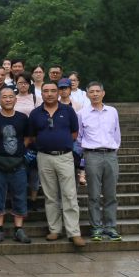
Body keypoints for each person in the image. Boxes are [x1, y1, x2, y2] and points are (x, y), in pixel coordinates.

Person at [28, 82, 86, 247]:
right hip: (44, 157)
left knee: (69, 195)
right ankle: (55, 229)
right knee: (50, 196)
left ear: (58, 93)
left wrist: (60, 142)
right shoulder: (35, 113)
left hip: (64, 156)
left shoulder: (68, 111)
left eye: (53, 91)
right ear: (42, 94)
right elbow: (32, 136)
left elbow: (74, 133)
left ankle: (74, 232)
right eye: (46, 91)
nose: (49, 94)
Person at [78, 81, 122, 242]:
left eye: (98, 91)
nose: (95, 94)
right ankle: (96, 227)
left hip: (110, 155)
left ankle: (110, 227)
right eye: (92, 91)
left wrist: (113, 149)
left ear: (103, 93)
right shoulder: (82, 113)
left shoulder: (112, 111)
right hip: (92, 155)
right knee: (94, 194)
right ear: (87, 94)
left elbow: (117, 134)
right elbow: (79, 137)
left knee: (111, 194)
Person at [0, 87, 32, 244]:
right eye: (4, 97)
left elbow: (27, 138)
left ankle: (18, 229)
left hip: (19, 163)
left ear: (15, 99)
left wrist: (19, 151)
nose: (7, 99)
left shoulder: (22, 118)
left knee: (20, 194)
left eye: (10, 97)